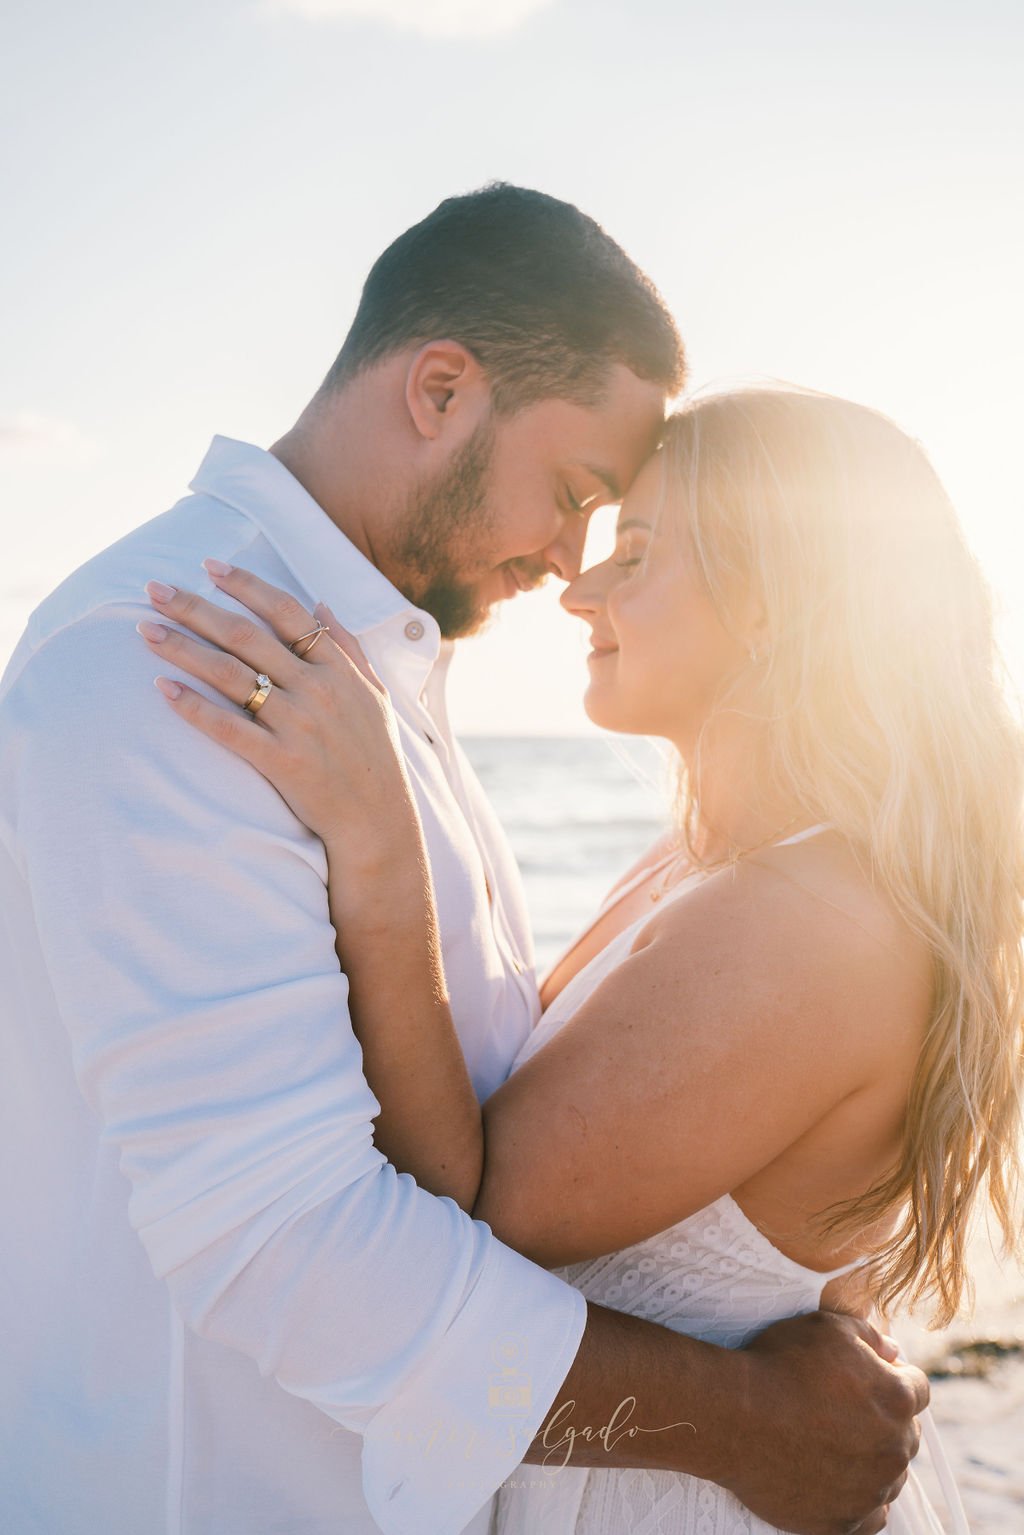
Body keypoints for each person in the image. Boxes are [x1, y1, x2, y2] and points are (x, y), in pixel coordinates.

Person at [0, 186, 925, 1535]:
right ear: (440, 388)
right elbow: (289, 1242)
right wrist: (750, 1420)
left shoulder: (358, 670)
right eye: (573, 495)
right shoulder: (177, 651)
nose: (569, 563)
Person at [143, 383, 1022, 1533]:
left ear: (767, 600)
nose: (580, 586)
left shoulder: (812, 916)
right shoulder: (713, 863)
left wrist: (378, 840)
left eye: (637, 551)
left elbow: (471, 1212)